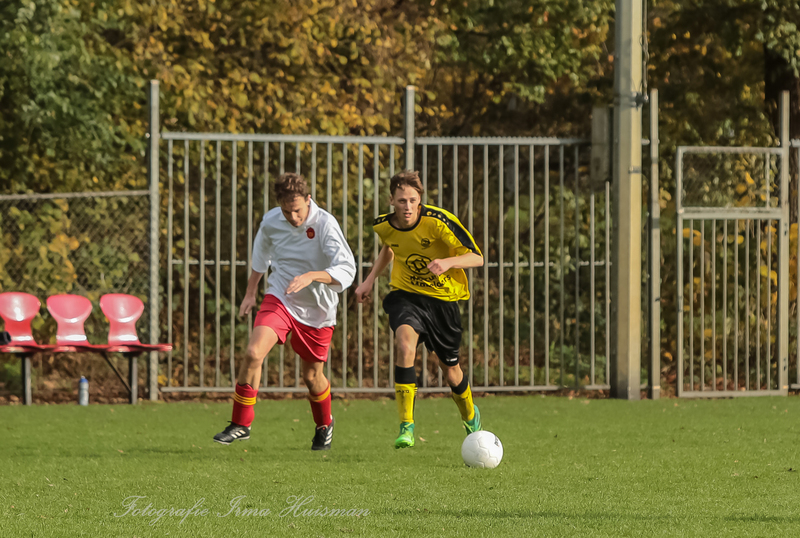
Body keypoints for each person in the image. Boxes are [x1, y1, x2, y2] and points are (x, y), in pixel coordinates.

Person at [213, 173, 356, 450]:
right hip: (281, 297)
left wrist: (313, 276)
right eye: (287, 210)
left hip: (318, 308)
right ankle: (241, 424)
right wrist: (251, 292)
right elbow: (260, 256)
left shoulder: (325, 224)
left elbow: (347, 268)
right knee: (254, 352)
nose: (293, 217)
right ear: (279, 204)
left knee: (312, 377)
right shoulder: (271, 221)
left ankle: (324, 424)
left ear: (309, 200)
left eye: (298, 210)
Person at [354, 170, 484, 448]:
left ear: (420, 199)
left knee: (450, 370)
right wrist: (368, 281)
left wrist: (448, 263)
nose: (408, 206)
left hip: (442, 302)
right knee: (404, 346)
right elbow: (391, 247)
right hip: (406, 294)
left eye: (413, 200)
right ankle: (406, 426)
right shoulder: (383, 225)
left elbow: (477, 257)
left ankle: (470, 416)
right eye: (402, 201)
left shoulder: (438, 221)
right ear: (391, 200)